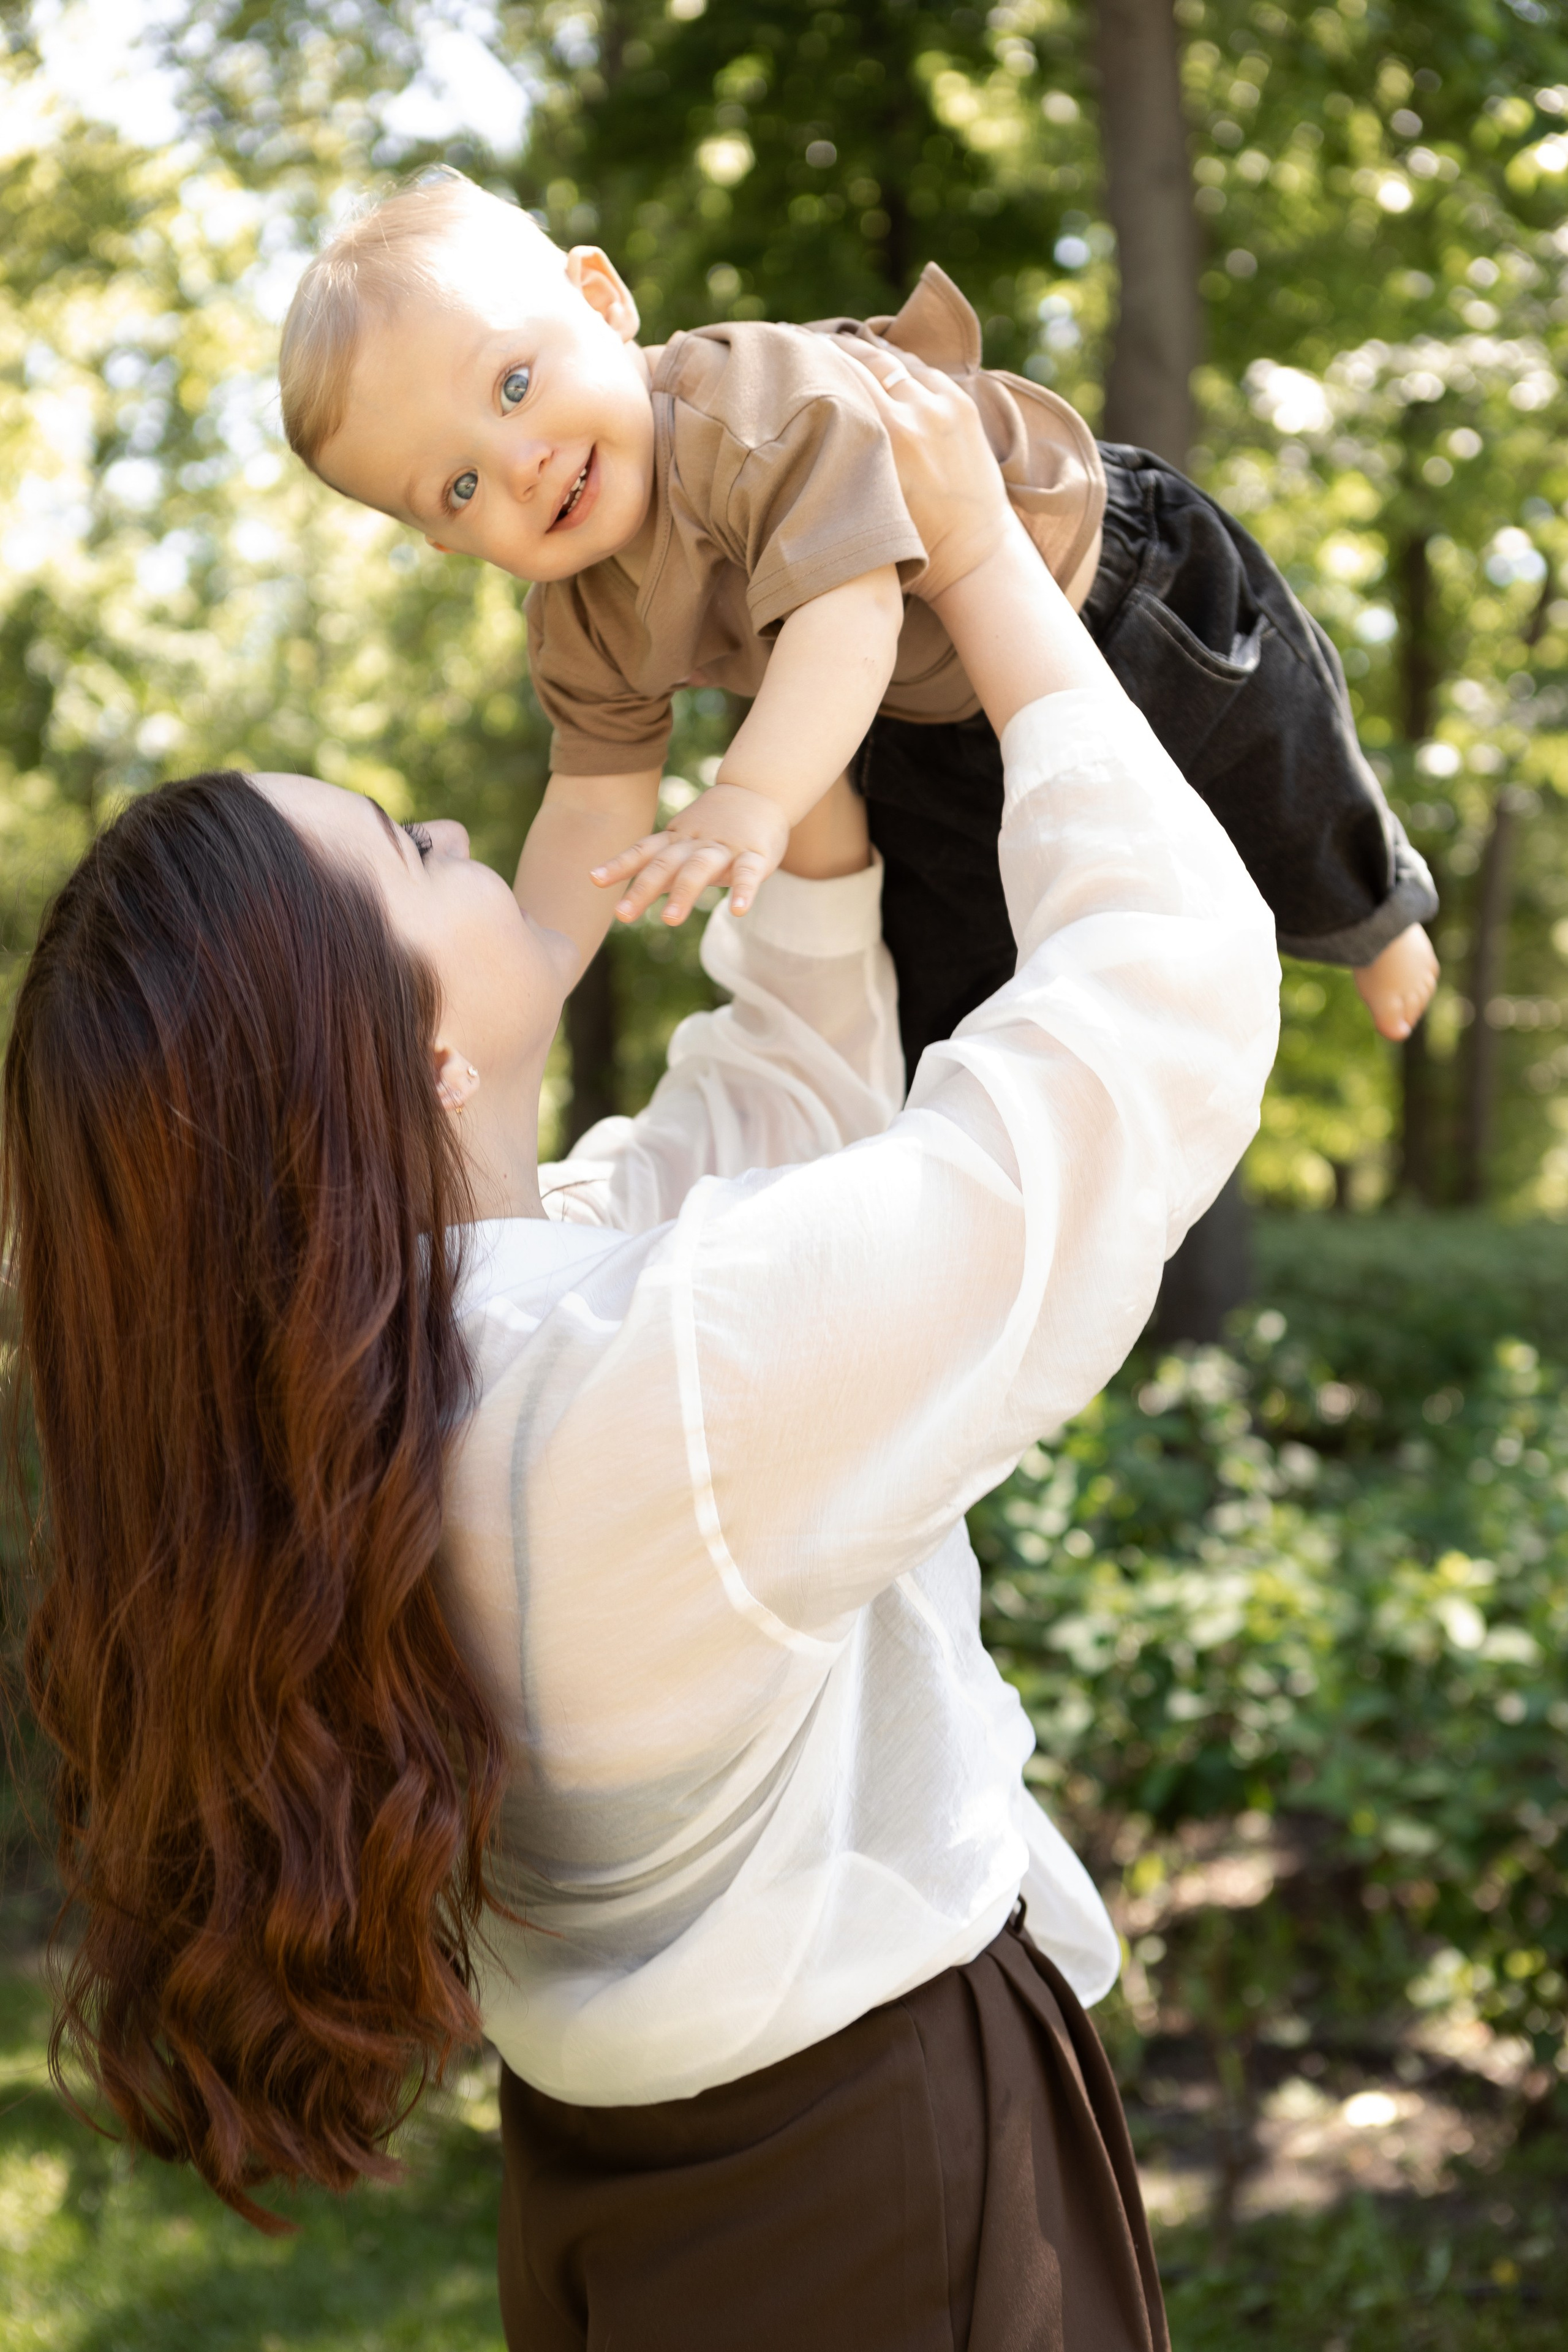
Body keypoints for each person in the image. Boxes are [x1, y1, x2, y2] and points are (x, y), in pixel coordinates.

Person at [4, 353, 1278, 2349]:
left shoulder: (391, 1379)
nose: (454, 824)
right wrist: (983, 573)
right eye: (410, 858)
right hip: (881, 2198)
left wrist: (805, 718)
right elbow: (1152, 1028)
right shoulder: (618, 1400)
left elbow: (761, 1134)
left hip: (631, 2187)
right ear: (424, 1054)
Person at [277, 165, 1434, 1072]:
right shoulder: (579, 623)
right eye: (460, 487)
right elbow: (590, 802)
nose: (518, 466)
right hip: (918, 720)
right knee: (942, 974)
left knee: (1267, 752)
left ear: (602, 300)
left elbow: (849, 613)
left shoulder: (749, 406)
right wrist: (530, 970)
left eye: (514, 384)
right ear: (445, 540)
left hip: (1102, 583)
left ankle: (1369, 911)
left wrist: (750, 797)